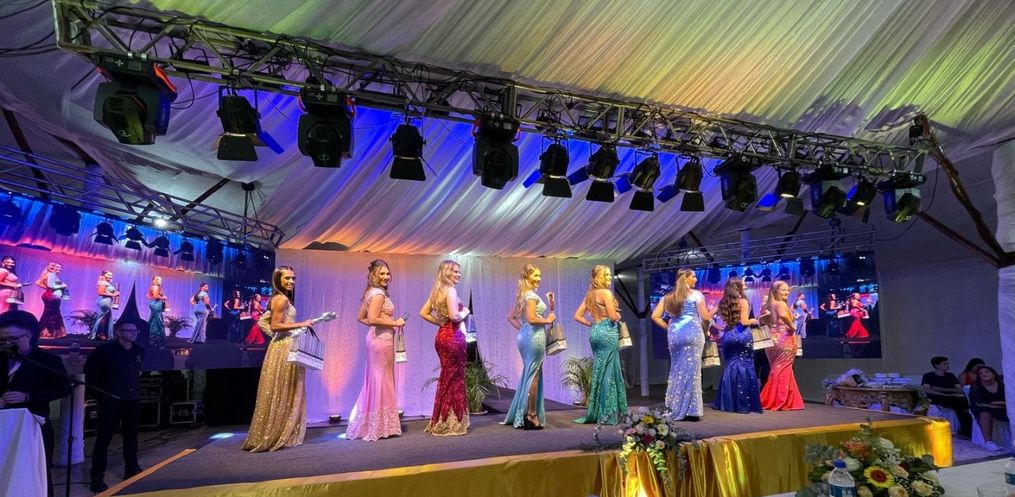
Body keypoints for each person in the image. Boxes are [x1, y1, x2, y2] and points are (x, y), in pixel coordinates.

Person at [0, 311, 72, 497]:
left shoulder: (47, 360)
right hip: (3, 425)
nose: (7, 344)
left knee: (37, 471)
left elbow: (63, 388)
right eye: (2, 339)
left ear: (28, 336)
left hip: (33, 425)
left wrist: (28, 396)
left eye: (12, 339)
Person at [243, 266, 315, 452]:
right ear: (278, 280)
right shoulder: (281, 299)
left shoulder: (277, 298)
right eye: (287, 278)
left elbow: (262, 322)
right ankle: (279, 433)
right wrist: (301, 324)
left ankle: (275, 432)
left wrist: (279, 336)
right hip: (285, 348)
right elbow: (275, 325)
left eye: (293, 278)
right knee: (286, 387)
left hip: (280, 346)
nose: (291, 281)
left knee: (281, 387)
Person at [347, 260, 405, 441]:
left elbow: (361, 317)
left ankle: (375, 423)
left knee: (377, 379)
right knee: (382, 379)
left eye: (387, 273)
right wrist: (394, 323)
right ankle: (380, 426)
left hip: (376, 339)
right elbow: (371, 318)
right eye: (382, 273)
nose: (386, 277)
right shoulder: (378, 294)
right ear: (374, 275)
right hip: (381, 342)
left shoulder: (371, 292)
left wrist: (379, 327)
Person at [85, 320, 145, 493]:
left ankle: (131, 469)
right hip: (110, 401)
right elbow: (91, 376)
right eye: (129, 330)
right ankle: (97, 477)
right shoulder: (104, 351)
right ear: (119, 332)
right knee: (104, 438)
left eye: (135, 331)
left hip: (131, 399)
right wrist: (102, 395)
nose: (133, 333)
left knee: (131, 436)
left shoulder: (138, 351)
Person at [651, 268, 714, 421]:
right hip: (693, 334)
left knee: (677, 370)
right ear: (685, 278)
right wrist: (709, 323)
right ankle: (691, 410)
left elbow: (655, 316)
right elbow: (705, 317)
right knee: (692, 372)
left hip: (675, 336)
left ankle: (675, 406)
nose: (696, 280)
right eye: (693, 277)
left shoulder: (668, 297)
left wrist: (669, 327)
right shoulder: (696, 295)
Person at [418, 260, 470, 436]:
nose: (458, 274)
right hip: (453, 337)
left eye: (459, 271)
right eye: (454, 271)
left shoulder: (437, 291)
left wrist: (440, 323)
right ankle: (451, 421)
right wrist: (465, 312)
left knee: (447, 377)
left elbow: (423, 312)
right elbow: (455, 316)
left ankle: (442, 419)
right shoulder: (451, 290)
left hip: (442, 337)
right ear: (446, 272)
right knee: (454, 378)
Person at [501, 264, 554, 430]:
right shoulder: (530, 295)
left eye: (540, 275)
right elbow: (531, 319)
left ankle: (526, 412)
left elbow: (511, 317)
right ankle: (531, 414)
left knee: (530, 373)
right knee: (534, 375)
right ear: (527, 277)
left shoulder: (523, 295)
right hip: (534, 338)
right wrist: (548, 320)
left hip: (527, 337)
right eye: (535, 275)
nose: (539, 278)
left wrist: (523, 329)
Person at [573, 265, 627, 425]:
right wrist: (617, 315)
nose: (609, 278)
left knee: (600, 371)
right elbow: (613, 316)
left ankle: (597, 410)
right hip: (607, 333)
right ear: (600, 277)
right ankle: (608, 412)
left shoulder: (590, 295)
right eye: (607, 275)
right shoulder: (606, 293)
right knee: (609, 372)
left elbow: (577, 316)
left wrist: (592, 324)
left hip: (596, 332)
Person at [711, 277, 762, 414]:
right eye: (743, 284)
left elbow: (707, 316)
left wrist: (720, 327)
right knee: (745, 367)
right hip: (742, 336)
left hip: (728, 336)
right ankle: (743, 404)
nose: (745, 286)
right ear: (738, 287)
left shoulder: (723, 302)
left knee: (730, 367)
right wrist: (754, 320)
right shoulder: (743, 301)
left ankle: (728, 403)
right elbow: (744, 322)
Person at [759, 281, 804, 411]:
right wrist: (792, 327)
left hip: (771, 340)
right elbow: (783, 315)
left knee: (776, 368)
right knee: (783, 369)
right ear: (775, 291)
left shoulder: (767, 305)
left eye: (787, 290)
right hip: (785, 339)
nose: (787, 292)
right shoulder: (780, 304)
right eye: (783, 290)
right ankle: (780, 400)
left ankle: (774, 399)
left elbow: (762, 321)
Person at [921, 356, 973, 438]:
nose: (947, 365)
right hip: (938, 398)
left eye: (947, 363)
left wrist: (937, 388)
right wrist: (948, 394)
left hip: (952, 398)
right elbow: (928, 390)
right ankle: (964, 428)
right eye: (944, 364)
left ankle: (965, 428)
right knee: (959, 402)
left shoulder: (950, 376)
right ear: (937, 365)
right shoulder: (928, 376)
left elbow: (959, 389)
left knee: (961, 400)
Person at [969, 365, 1007, 451]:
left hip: (1002, 408)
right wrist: (998, 404)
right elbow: (980, 403)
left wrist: (996, 403)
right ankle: (988, 443)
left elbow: (1010, 400)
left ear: (994, 374)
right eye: (981, 373)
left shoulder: (1002, 384)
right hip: (983, 409)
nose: (984, 374)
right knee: (985, 414)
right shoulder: (976, 387)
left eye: (986, 372)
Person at [36, 263, 68, 339]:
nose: (59, 269)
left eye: (60, 267)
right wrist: (62, 286)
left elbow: (39, 283)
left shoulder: (52, 275)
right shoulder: (51, 275)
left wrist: (48, 289)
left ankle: (49, 332)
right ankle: (47, 332)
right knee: (51, 314)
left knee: (51, 313)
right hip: (51, 297)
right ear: (53, 267)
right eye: (57, 267)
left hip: (51, 295)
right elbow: (50, 285)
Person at [90, 270, 118, 340]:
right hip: (105, 301)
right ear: (104, 275)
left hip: (106, 301)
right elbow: (100, 292)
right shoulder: (103, 282)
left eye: (111, 275)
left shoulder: (105, 282)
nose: (111, 276)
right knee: (102, 318)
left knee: (106, 318)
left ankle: (104, 334)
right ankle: (99, 334)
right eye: (109, 275)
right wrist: (113, 294)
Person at [146, 276, 168, 349]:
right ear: (155, 280)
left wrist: (153, 299)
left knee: (154, 321)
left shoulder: (153, 287)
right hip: (156, 305)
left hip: (154, 304)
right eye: (159, 280)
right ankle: (160, 339)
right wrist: (163, 298)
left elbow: (148, 295)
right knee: (159, 322)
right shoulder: (155, 287)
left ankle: (153, 337)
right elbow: (155, 296)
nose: (161, 281)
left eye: (161, 280)